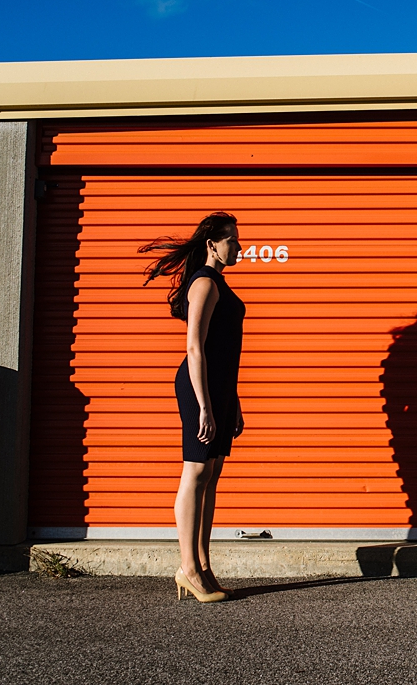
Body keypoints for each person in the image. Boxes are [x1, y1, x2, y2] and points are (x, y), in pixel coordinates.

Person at [140, 212, 245, 603]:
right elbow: (194, 347)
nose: (238, 247)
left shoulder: (219, 283)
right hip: (198, 387)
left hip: (218, 388)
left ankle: (203, 566)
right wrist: (204, 406)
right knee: (196, 471)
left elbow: (225, 351)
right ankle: (187, 568)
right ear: (212, 245)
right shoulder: (204, 282)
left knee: (212, 474)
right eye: (232, 240)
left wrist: (231, 402)